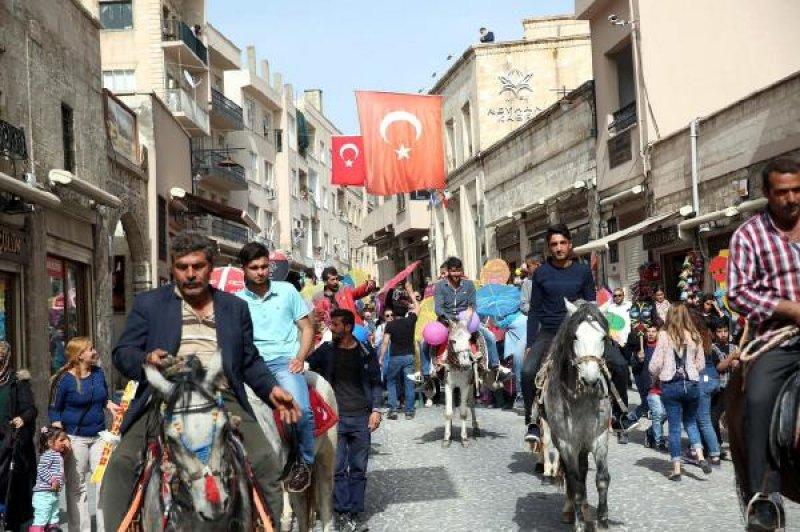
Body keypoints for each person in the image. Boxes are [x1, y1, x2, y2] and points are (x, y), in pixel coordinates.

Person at [102, 231, 300, 531]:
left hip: (222, 396)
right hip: (165, 397)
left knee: (265, 461)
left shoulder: (234, 308)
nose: (190, 274)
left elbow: (249, 360)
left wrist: (272, 389)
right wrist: (146, 358)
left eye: (198, 266)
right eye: (182, 267)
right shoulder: (150, 304)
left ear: (211, 268)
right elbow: (122, 353)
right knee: (120, 465)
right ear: (173, 268)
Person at [727, 157, 800, 530]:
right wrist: (790, 309)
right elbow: (738, 293)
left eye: (797, 190)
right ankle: (765, 496)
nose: (791, 199)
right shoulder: (749, 236)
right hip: (780, 338)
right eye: (782, 192)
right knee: (756, 397)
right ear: (767, 194)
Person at [236, 242, 316, 492]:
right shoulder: (236, 301)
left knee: (301, 410)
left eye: (264, 267)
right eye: (254, 268)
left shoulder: (287, 291)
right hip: (251, 366)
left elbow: (307, 328)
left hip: (284, 362)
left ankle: (304, 462)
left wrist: (300, 357)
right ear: (243, 269)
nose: (260, 272)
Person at [307, 309, 382, 532]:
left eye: (336, 325)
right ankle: (342, 512)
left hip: (361, 417)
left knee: (358, 468)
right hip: (334, 420)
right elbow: (305, 365)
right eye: (331, 324)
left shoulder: (365, 352)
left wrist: (376, 410)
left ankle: (354, 513)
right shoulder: (325, 351)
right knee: (337, 468)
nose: (332, 328)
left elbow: (376, 382)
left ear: (348, 327)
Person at [522, 224, 596, 443]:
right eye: (554, 244)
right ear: (549, 247)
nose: (559, 247)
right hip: (549, 332)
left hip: (578, 332)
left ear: (570, 244)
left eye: (563, 243)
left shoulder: (583, 271)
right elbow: (534, 311)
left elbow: (591, 305)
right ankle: (532, 420)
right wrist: (530, 343)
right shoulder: (541, 273)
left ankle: (620, 414)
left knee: (618, 363)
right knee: (527, 371)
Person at [48, 337, 118, 532]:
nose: (94, 352)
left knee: (104, 483)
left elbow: (103, 398)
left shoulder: (98, 373)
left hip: (99, 436)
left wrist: (110, 405)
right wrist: (59, 432)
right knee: (77, 487)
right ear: (79, 355)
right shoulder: (64, 380)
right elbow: (54, 409)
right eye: (90, 349)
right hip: (74, 438)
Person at [649, 303, 712, 480]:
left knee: (674, 428)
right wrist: (690, 370)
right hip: (691, 385)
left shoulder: (664, 335)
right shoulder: (695, 335)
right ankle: (700, 456)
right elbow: (701, 365)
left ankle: (677, 469)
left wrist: (655, 374)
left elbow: (655, 364)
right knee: (691, 422)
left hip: (671, 385)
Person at [423, 256, 510, 379]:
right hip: (445, 321)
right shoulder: (440, 286)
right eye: (453, 271)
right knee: (424, 344)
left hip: (467, 322)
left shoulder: (469, 285)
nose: (456, 274)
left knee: (490, 337)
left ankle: (496, 368)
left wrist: (466, 317)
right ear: (448, 271)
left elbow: (472, 304)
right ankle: (426, 375)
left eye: (458, 270)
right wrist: (450, 320)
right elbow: (439, 308)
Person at [0, 341, 37, 531]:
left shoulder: (17, 382)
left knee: (10, 483)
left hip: (9, 441)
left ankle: (12, 521)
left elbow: (31, 409)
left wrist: (22, 418)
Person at [380, 281, 419, 420]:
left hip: (395, 357)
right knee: (409, 383)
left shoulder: (390, 325)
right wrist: (410, 291)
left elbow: (385, 342)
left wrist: (381, 358)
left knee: (391, 381)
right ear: (406, 311)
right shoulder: (411, 321)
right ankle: (409, 412)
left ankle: (393, 410)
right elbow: (417, 307)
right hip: (409, 356)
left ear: (394, 312)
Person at [621, 321, 662, 447]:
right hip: (644, 381)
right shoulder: (640, 346)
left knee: (658, 410)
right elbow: (634, 366)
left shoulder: (662, 346)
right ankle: (628, 425)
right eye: (648, 331)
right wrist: (638, 359)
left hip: (660, 382)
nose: (650, 334)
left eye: (653, 331)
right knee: (650, 406)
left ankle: (629, 424)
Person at [29, 426, 70, 532]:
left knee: (54, 518)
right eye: (61, 440)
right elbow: (41, 469)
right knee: (41, 519)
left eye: (65, 440)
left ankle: (53, 528)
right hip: (43, 494)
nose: (64, 442)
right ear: (50, 442)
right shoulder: (48, 454)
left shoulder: (57, 454)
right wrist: (52, 480)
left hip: (52, 493)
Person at [710, 318, 740, 455]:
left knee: (734, 420)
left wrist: (737, 363)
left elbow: (741, 366)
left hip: (733, 389)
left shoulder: (735, 347)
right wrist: (731, 358)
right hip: (719, 389)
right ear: (714, 333)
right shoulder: (713, 348)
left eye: (725, 331)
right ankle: (716, 444)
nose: (723, 334)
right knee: (713, 418)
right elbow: (719, 367)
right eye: (719, 331)